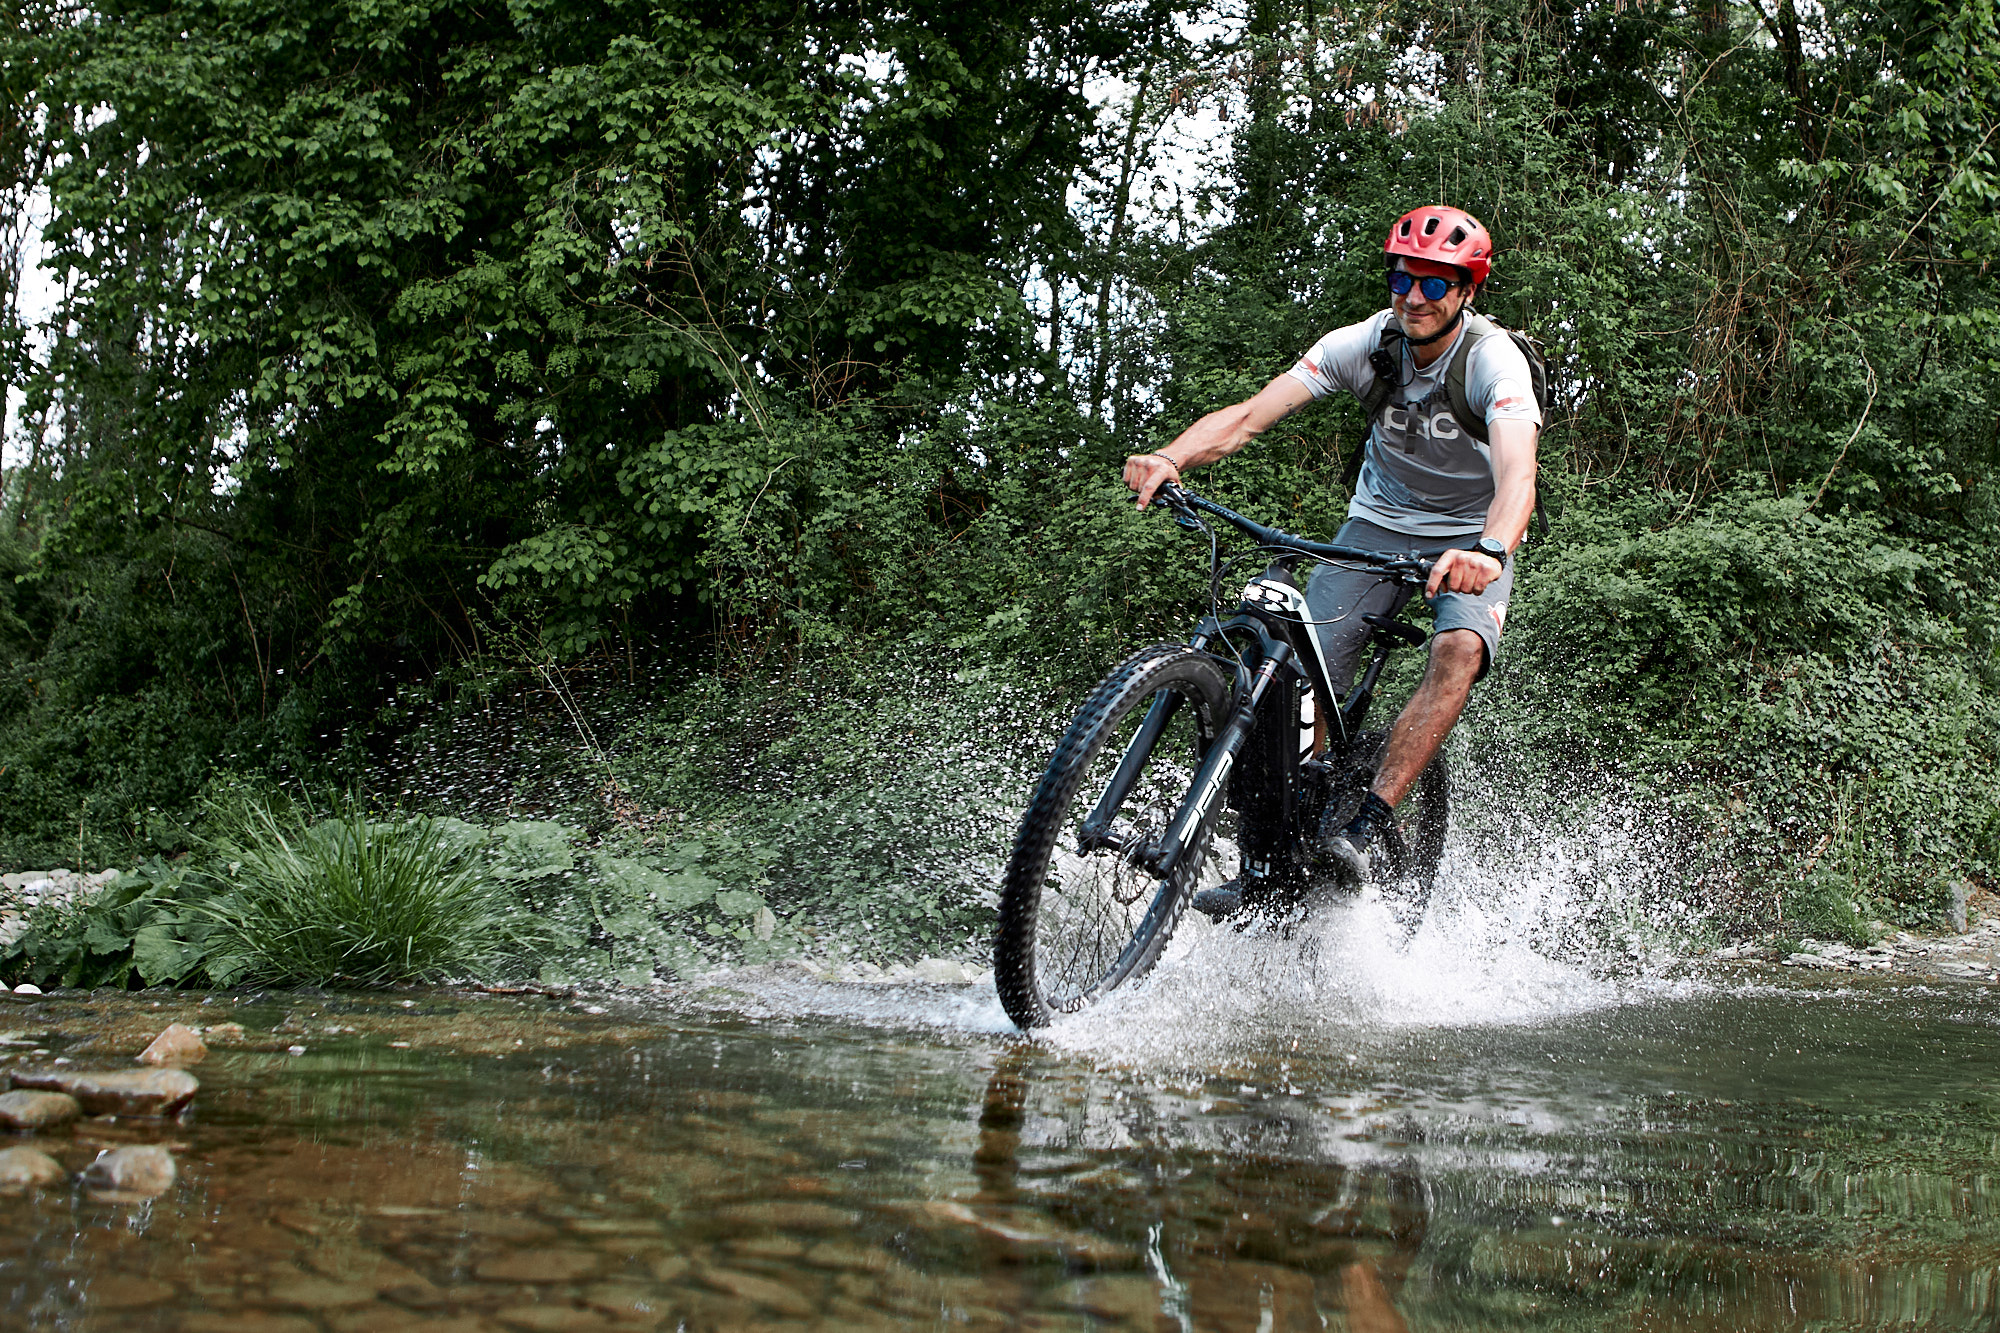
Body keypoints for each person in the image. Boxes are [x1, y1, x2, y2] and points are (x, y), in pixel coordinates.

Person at [1122, 204, 1541, 917]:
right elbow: (1251, 416)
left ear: (1467, 292)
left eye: (1436, 284)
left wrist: (1490, 551)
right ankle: (1268, 858)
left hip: (1473, 535)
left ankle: (1364, 823)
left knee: (1459, 648)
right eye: (1403, 278)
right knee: (1292, 674)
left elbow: (1518, 478)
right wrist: (1172, 455)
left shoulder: (1491, 361)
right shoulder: (1363, 344)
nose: (1414, 296)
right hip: (1375, 524)